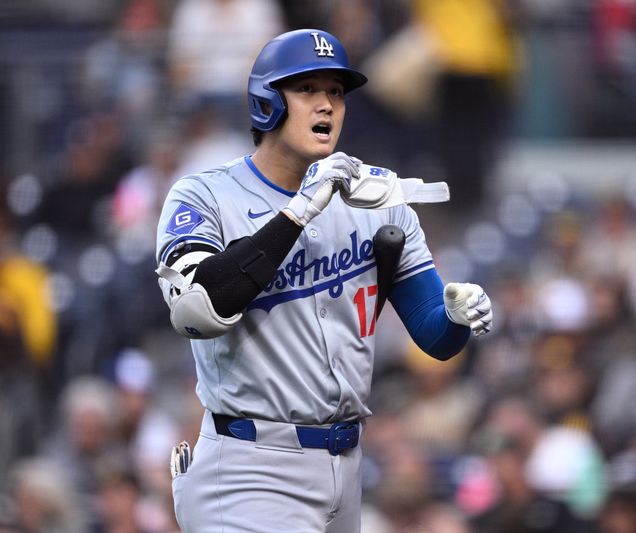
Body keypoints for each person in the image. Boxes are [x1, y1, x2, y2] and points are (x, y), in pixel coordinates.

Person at [154, 28, 493, 532]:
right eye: (307, 89)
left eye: (335, 91)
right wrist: (297, 214)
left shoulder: (373, 197)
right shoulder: (204, 195)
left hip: (346, 465)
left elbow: (434, 337)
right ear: (268, 101)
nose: (326, 104)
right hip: (251, 465)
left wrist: (457, 317)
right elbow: (197, 312)